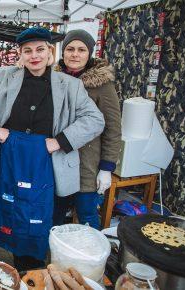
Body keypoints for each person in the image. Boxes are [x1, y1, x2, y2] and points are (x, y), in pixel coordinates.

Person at [0, 27, 105, 272]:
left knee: (44, 223)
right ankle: (24, 270)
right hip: (9, 163)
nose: (34, 56)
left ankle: (40, 270)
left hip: (48, 166)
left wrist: (59, 141)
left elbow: (95, 120)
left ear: (49, 52)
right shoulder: (4, 77)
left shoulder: (70, 85)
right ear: (21, 54)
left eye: (40, 50)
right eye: (28, 51)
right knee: (12, 217)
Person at [52, 29, 122, 229]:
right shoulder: (54, 80)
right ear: (63, 52)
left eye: (81, 50)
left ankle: (91, 259)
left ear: (89, 53)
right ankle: (55, 257)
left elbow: (113, 129)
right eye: (70, 49)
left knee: (87, 217)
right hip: (59, 161)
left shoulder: (102, 86)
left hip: (87, 166)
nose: (75, 54)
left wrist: (107, 168)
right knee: (54, 217)